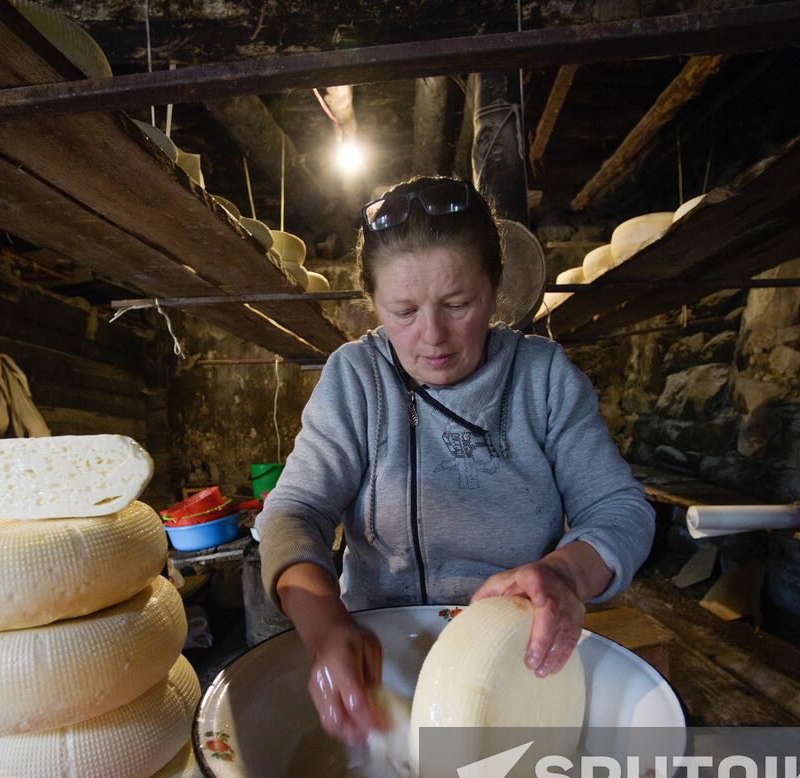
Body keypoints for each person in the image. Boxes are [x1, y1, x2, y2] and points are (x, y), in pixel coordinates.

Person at [256, 176, 654, 745]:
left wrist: (565, 574)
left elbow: (620, 509)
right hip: (378, 666)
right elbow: (293, 514)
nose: (432, 337)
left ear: (494, 290)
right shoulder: (356, 380)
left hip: (514, 666)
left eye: (457, 304)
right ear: (374, 304)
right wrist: (324, 632)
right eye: (404, 312)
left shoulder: (541, 379)